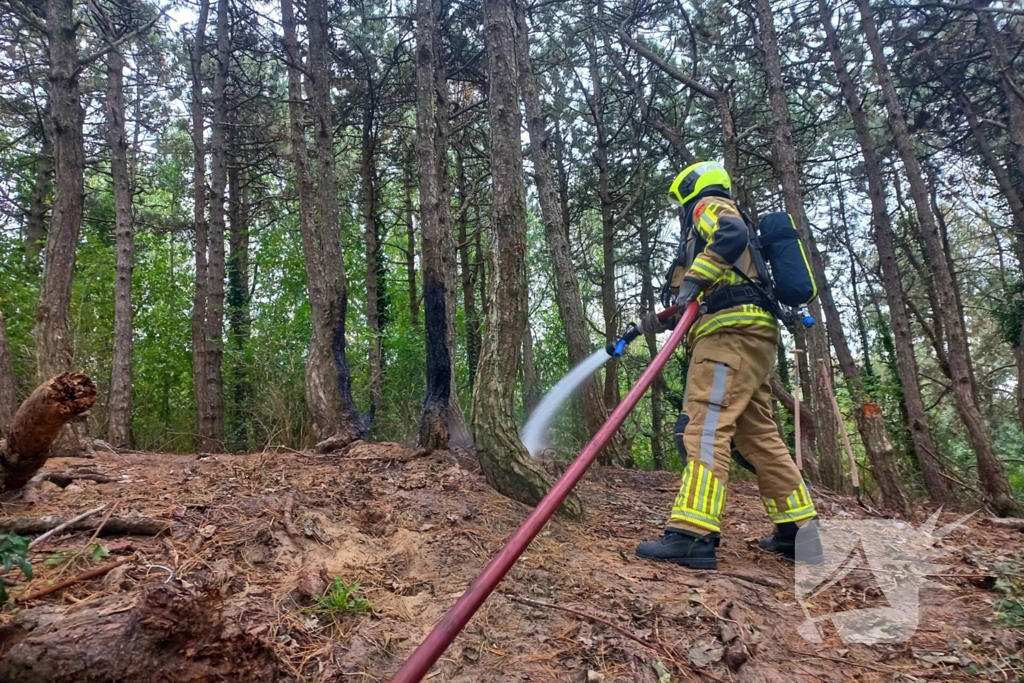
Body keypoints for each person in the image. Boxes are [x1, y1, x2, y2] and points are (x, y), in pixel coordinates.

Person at [635, 161, 822, 569]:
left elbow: (729, 235)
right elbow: (694, 297)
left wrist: (693, 280)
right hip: (751, 336)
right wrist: (661, 314)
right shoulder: (725, 242)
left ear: (691, 188)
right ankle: (800, 533)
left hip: (727, 336)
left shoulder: (710, 206)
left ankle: (692, 534)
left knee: (704, 428)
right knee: (759, 438)